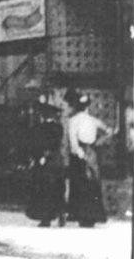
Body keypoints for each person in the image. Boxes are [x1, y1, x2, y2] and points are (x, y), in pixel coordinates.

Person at [66, 93, 114, 227]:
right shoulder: (93, 120)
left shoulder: (73, 120)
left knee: (80, 184)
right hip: (92, 152)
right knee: (92, 184)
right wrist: (99, 142)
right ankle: (92, 216)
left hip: (81, 153)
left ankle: (81, 215)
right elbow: (110, 130)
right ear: (88, 106)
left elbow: (73, 141)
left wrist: (79, 152)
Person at [25, 95, 66, 227]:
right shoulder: (58, 127)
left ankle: (46, 217)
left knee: (45, 188)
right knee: (57, 188)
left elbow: (38, 145)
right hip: (55, 159)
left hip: (46, 160)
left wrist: (40, 157)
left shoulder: (41, 128)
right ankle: (60, 213)